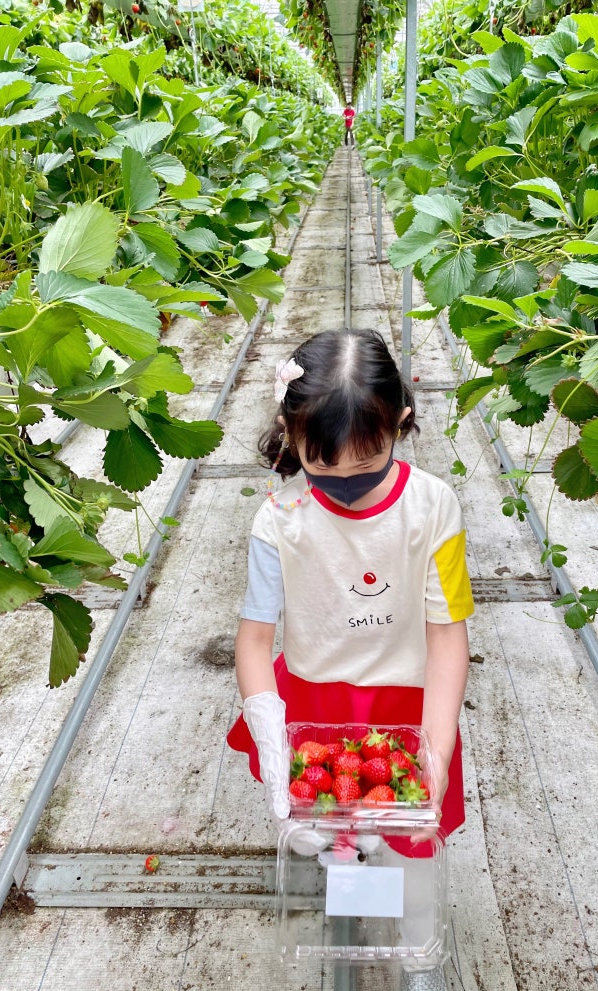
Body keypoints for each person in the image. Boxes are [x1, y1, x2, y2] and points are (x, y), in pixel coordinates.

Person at [227, 329, 474, 991]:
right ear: (289, 432)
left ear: (399, 420)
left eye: (367, 463)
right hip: (313, 703)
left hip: (405, 704)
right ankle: (351, 876)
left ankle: (420, 952)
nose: (348, 486)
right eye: (323, 467)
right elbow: (254, 640)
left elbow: (447, 634)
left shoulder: (432, 508)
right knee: (333, 828)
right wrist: (272, 737)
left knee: (414, 845)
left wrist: (439, 745)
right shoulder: (280, 517)